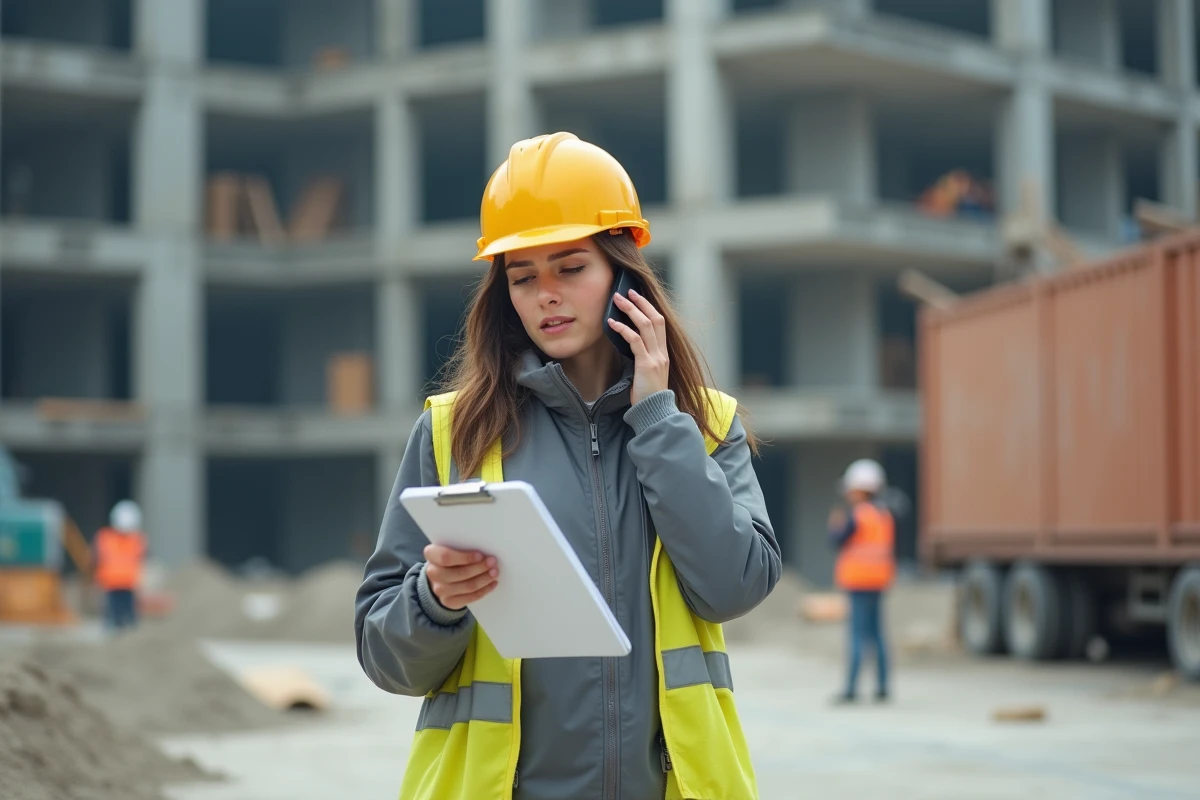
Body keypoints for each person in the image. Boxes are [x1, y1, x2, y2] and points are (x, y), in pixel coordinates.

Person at [355, 132, 781, 800]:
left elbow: (736, 587)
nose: (546, 294)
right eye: (524, 278)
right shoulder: (451, 432)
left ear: (622, 272)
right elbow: (385, 659)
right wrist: (434, 599)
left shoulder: (703, 425)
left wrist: (658, 420)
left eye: (570, 267)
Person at [828, 458, 895, 704]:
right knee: (877, 635)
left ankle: (851, 689)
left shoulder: (857, 515)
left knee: (857, 635)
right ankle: (883, 687)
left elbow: (836, 540)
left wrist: (835, 524)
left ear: (859, 489)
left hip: (858, 582)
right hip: (879, 581)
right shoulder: (883, 514)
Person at [93, 500, 148, 632]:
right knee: (127, 617)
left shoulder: (105, 537)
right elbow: (143, 557)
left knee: (114, 617)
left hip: (114, 583)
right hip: (123, 583)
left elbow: (95, 558)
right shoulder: (137, 539)